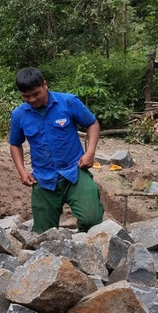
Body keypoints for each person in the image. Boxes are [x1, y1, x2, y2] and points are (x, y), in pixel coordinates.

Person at [8, 67, 104, 234]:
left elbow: (92, 124)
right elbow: (15, 144)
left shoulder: (68, 102)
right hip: (44, 178)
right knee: (44, 235)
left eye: (35, 93)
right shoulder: (19, 115)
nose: (32, 99)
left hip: (74, 171)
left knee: (92, 219)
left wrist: (90, 153)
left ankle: (83, 244)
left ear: (45, 85)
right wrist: (22, 171)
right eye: (26, 96)